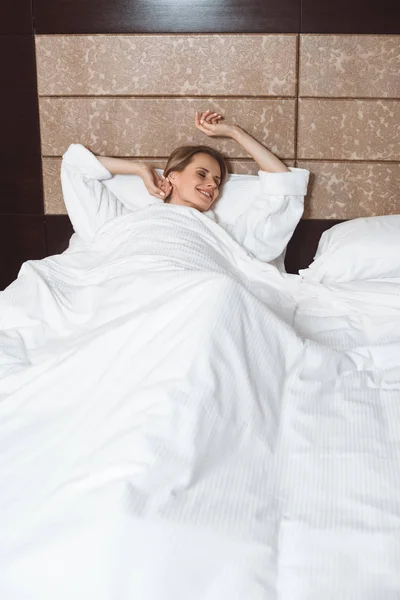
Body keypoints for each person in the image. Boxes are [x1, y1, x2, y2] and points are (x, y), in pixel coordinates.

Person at [95, 109, 290, 214]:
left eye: (218, 181)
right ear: (172, 175)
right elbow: (76, 167)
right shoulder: (134, 218)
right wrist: (140, 169)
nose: (213, 184)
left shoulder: (221, 233)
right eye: (201, 173)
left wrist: (235, 132)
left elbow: (284, 186)